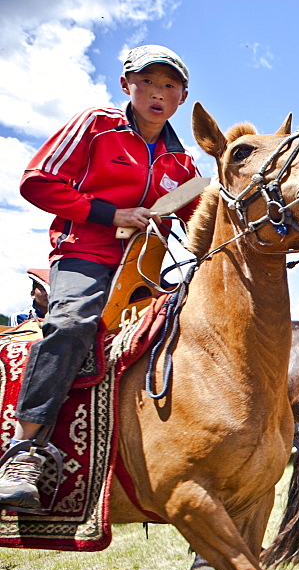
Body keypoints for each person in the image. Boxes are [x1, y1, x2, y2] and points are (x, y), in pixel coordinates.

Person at [0, 45, 199, 509]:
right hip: (84, 255)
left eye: (169, 86)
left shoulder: (182, 164)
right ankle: (23, 451)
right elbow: (37, 181)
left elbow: (200, 221)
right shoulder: (96, 125)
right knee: (70, 322)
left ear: (182, 97)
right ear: (126, 85)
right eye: (147, 82)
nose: (157, 93)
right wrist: (112, 215)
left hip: (148, 269)